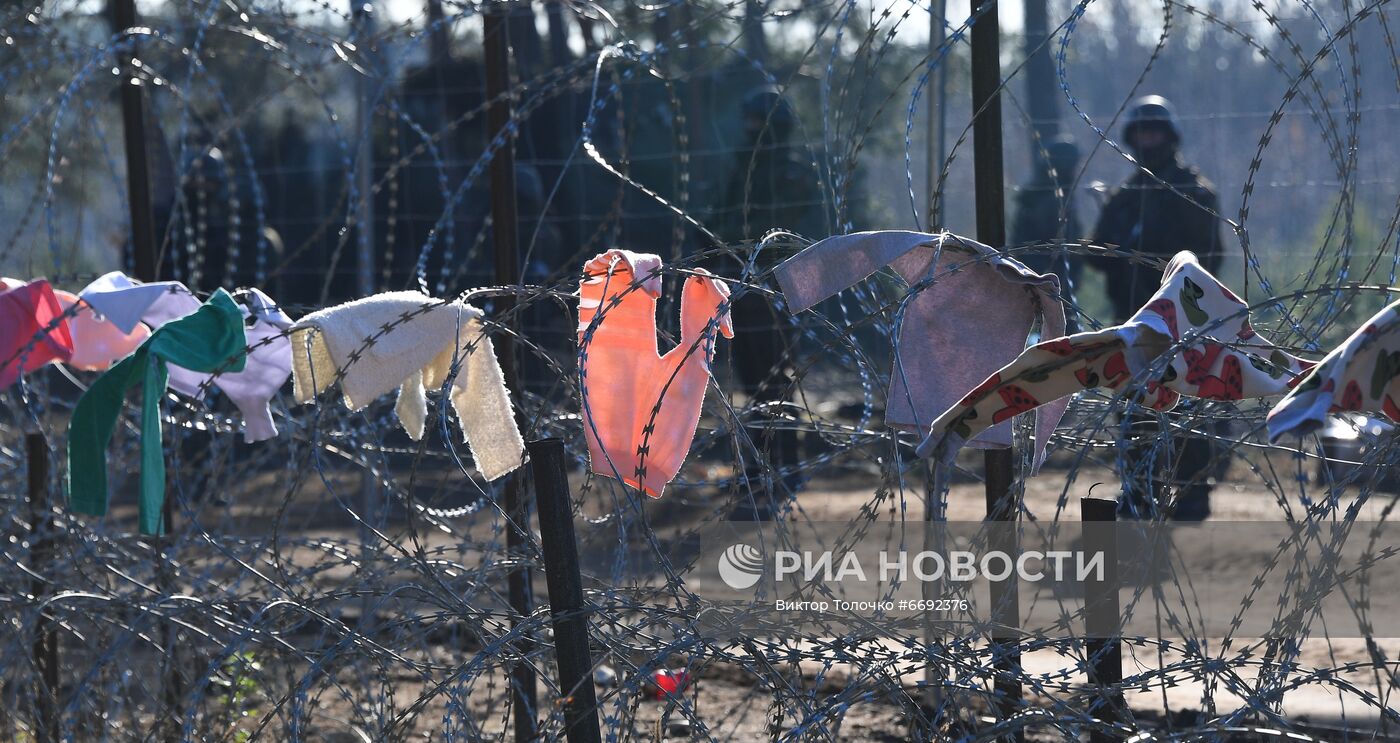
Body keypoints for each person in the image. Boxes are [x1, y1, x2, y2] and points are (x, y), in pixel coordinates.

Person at [1090, 95, 1226, 522]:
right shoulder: (1126, 197)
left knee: (1184, 405)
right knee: (1134, 407)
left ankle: (1191, 494)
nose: (1149, 140)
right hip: (1131, 320)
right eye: (1142, 133)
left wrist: (1155, 259)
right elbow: (1096, 253)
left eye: (1155, 132)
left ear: (1169, 138)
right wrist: (1122, 252)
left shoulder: (1191, 191)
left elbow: (1210, 256)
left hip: (1178, 320)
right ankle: (1140, 491)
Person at [715, 86, 822, 520]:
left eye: (757, 122)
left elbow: (778, 228)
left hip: (776, 290)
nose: (749, 130)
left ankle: (787, 467)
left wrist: (741, 245)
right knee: (753, 384)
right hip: (740, 289)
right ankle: (758, 469)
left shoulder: (792, 173)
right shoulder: (743, 171)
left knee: (776, 381)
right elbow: (721, 221)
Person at [1012, 134, 1084, 332]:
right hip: (1051, 285)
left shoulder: (1039, 195)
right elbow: (1059, 247)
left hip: (1041, 285)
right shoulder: (1053, 201)